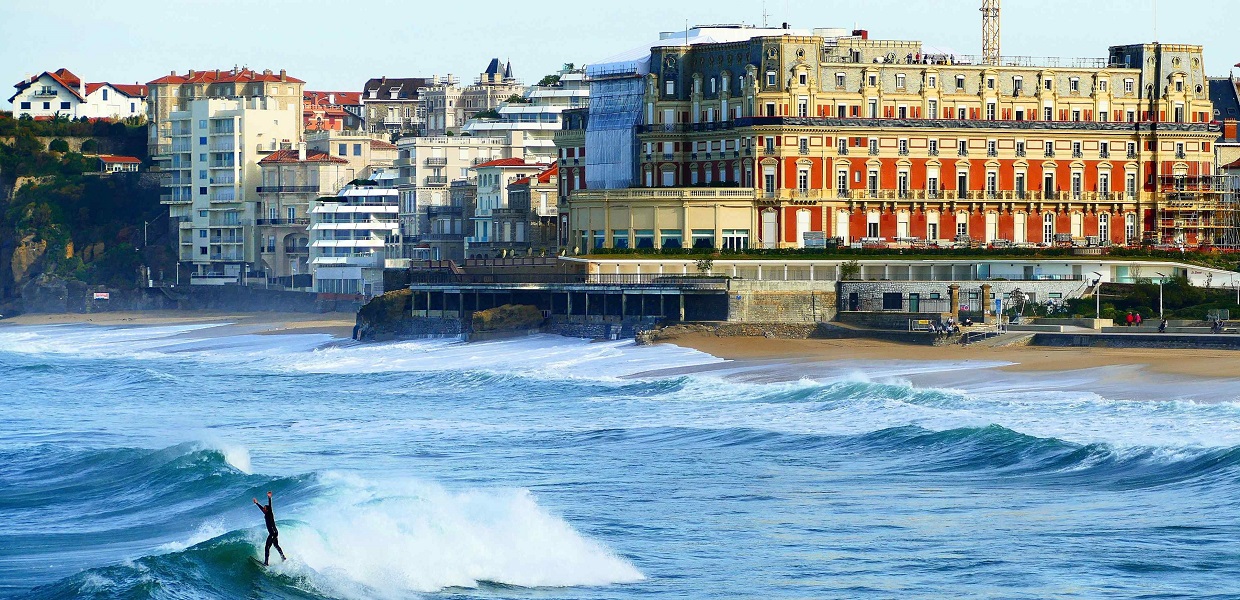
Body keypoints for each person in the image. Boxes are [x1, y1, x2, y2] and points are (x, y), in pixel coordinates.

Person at [252, 491, 286, 566]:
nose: (263, 509)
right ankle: (283, 557)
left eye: (264, 508)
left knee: (267, 547)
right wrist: (257, 503)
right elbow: (262, 509)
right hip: (275, 532)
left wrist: (269, 498)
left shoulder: (270, 512)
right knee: (276, 545)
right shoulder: (266, 513)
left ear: (267, 509)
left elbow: (270, 506)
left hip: (273, 533)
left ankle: (266, 563)